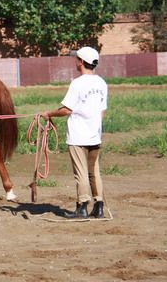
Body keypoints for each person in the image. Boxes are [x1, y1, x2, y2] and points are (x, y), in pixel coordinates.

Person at [40, 47, 108, 219]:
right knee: (94, 171)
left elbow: (67, 110)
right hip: (95, 135)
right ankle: (99, 206)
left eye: (77, 59)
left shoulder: (77, 83)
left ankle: (82, 207)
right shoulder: (101, 83)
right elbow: (102, 111)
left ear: (82, 62)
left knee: (81, 172)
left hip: (78, 135)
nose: (75, 61)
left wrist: (49, 113)